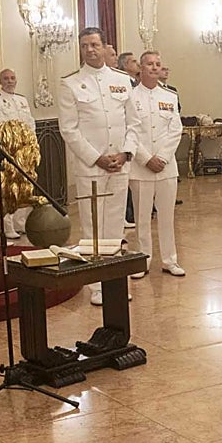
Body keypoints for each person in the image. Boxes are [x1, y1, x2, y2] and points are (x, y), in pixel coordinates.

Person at [58, 26, 140, 306]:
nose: (90, 50)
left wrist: (126, 153)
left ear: (105, 47)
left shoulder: (121, 80)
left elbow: (133, 123)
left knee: (116, 226)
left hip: (120, 164)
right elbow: (69, 129)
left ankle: (116, 282)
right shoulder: (70, 83)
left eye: (94, 44)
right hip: (91, 167)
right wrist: (97, 158)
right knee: (93, 226)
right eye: (85, 46)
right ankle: (96, 286)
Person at [128, 51, 185, 278]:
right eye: (149, 64)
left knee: (167, 216)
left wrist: (161, 157)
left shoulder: (169, 96)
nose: (154, 68)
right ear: (141, 68)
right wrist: (145, 158)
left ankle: (169, 260)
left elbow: (175, 130)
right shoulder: (130, 96)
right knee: (142, 218)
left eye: (157, 64)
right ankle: (143, 259)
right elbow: (129, 130)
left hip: (166, 166)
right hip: (140, 167)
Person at [0, 68, 38, 240]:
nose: (10, 81)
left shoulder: (21, 100)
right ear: (0, 81)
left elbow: (30, 122)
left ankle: (22, 223)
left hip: (25, 149)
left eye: (13, 78)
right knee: (9, 188)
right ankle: (8, 226)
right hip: (9, 149)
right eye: (6, 78)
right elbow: (0, 125)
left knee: (25, 186)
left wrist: (31, 143)